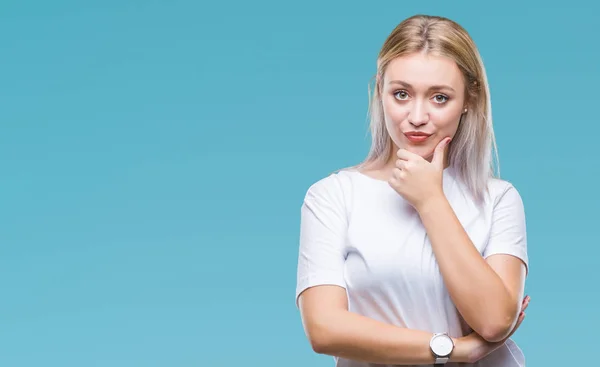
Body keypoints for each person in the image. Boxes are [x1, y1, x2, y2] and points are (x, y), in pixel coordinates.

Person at [294, 14, 530, 367]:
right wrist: (452, 349)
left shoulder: (498, 199)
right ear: (379, 91)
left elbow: (494, 320)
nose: (417, 116)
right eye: (401, 94)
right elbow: (324, 329)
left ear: (469, 99)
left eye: (439, 98)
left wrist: (430, 199)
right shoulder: (332, 197)